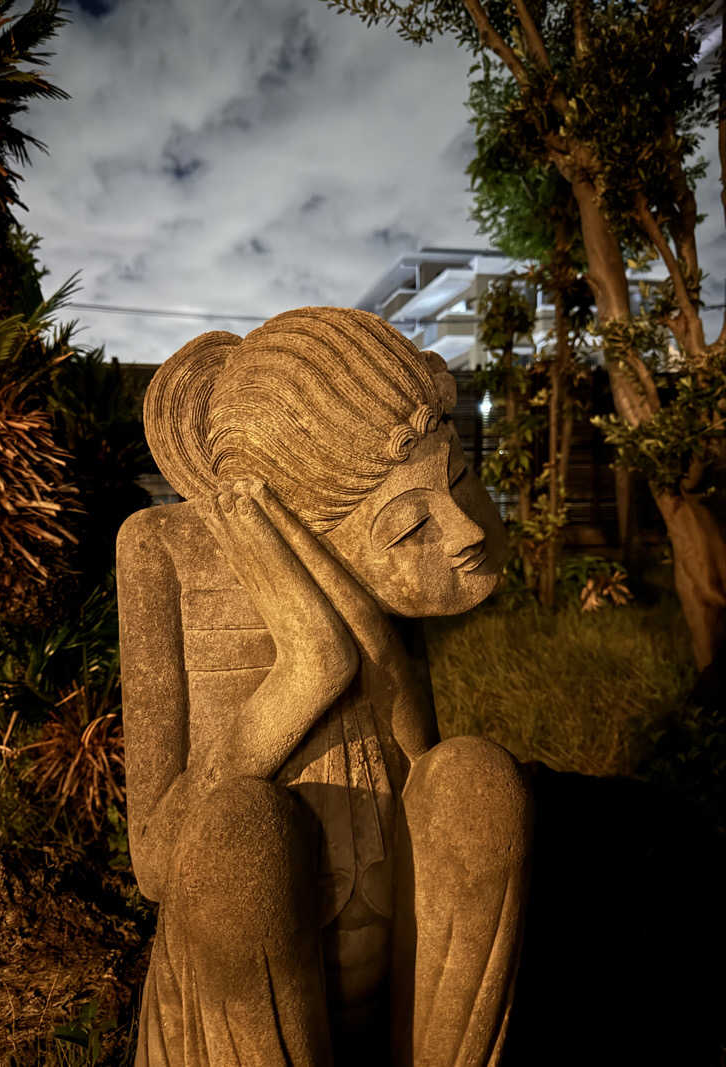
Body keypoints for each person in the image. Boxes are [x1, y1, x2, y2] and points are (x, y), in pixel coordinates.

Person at [116, 307, 533, 1067]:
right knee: (238, 836)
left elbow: (420, 767)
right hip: (244, 1018)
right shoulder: (160, 551)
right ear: (306, 524)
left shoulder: (381, 591)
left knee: (475, 781)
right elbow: (154, 862)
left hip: (401, 992)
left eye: (460, 480)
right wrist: (309, 664)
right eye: (409, 527)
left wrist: (364, 635)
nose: (465, 531)